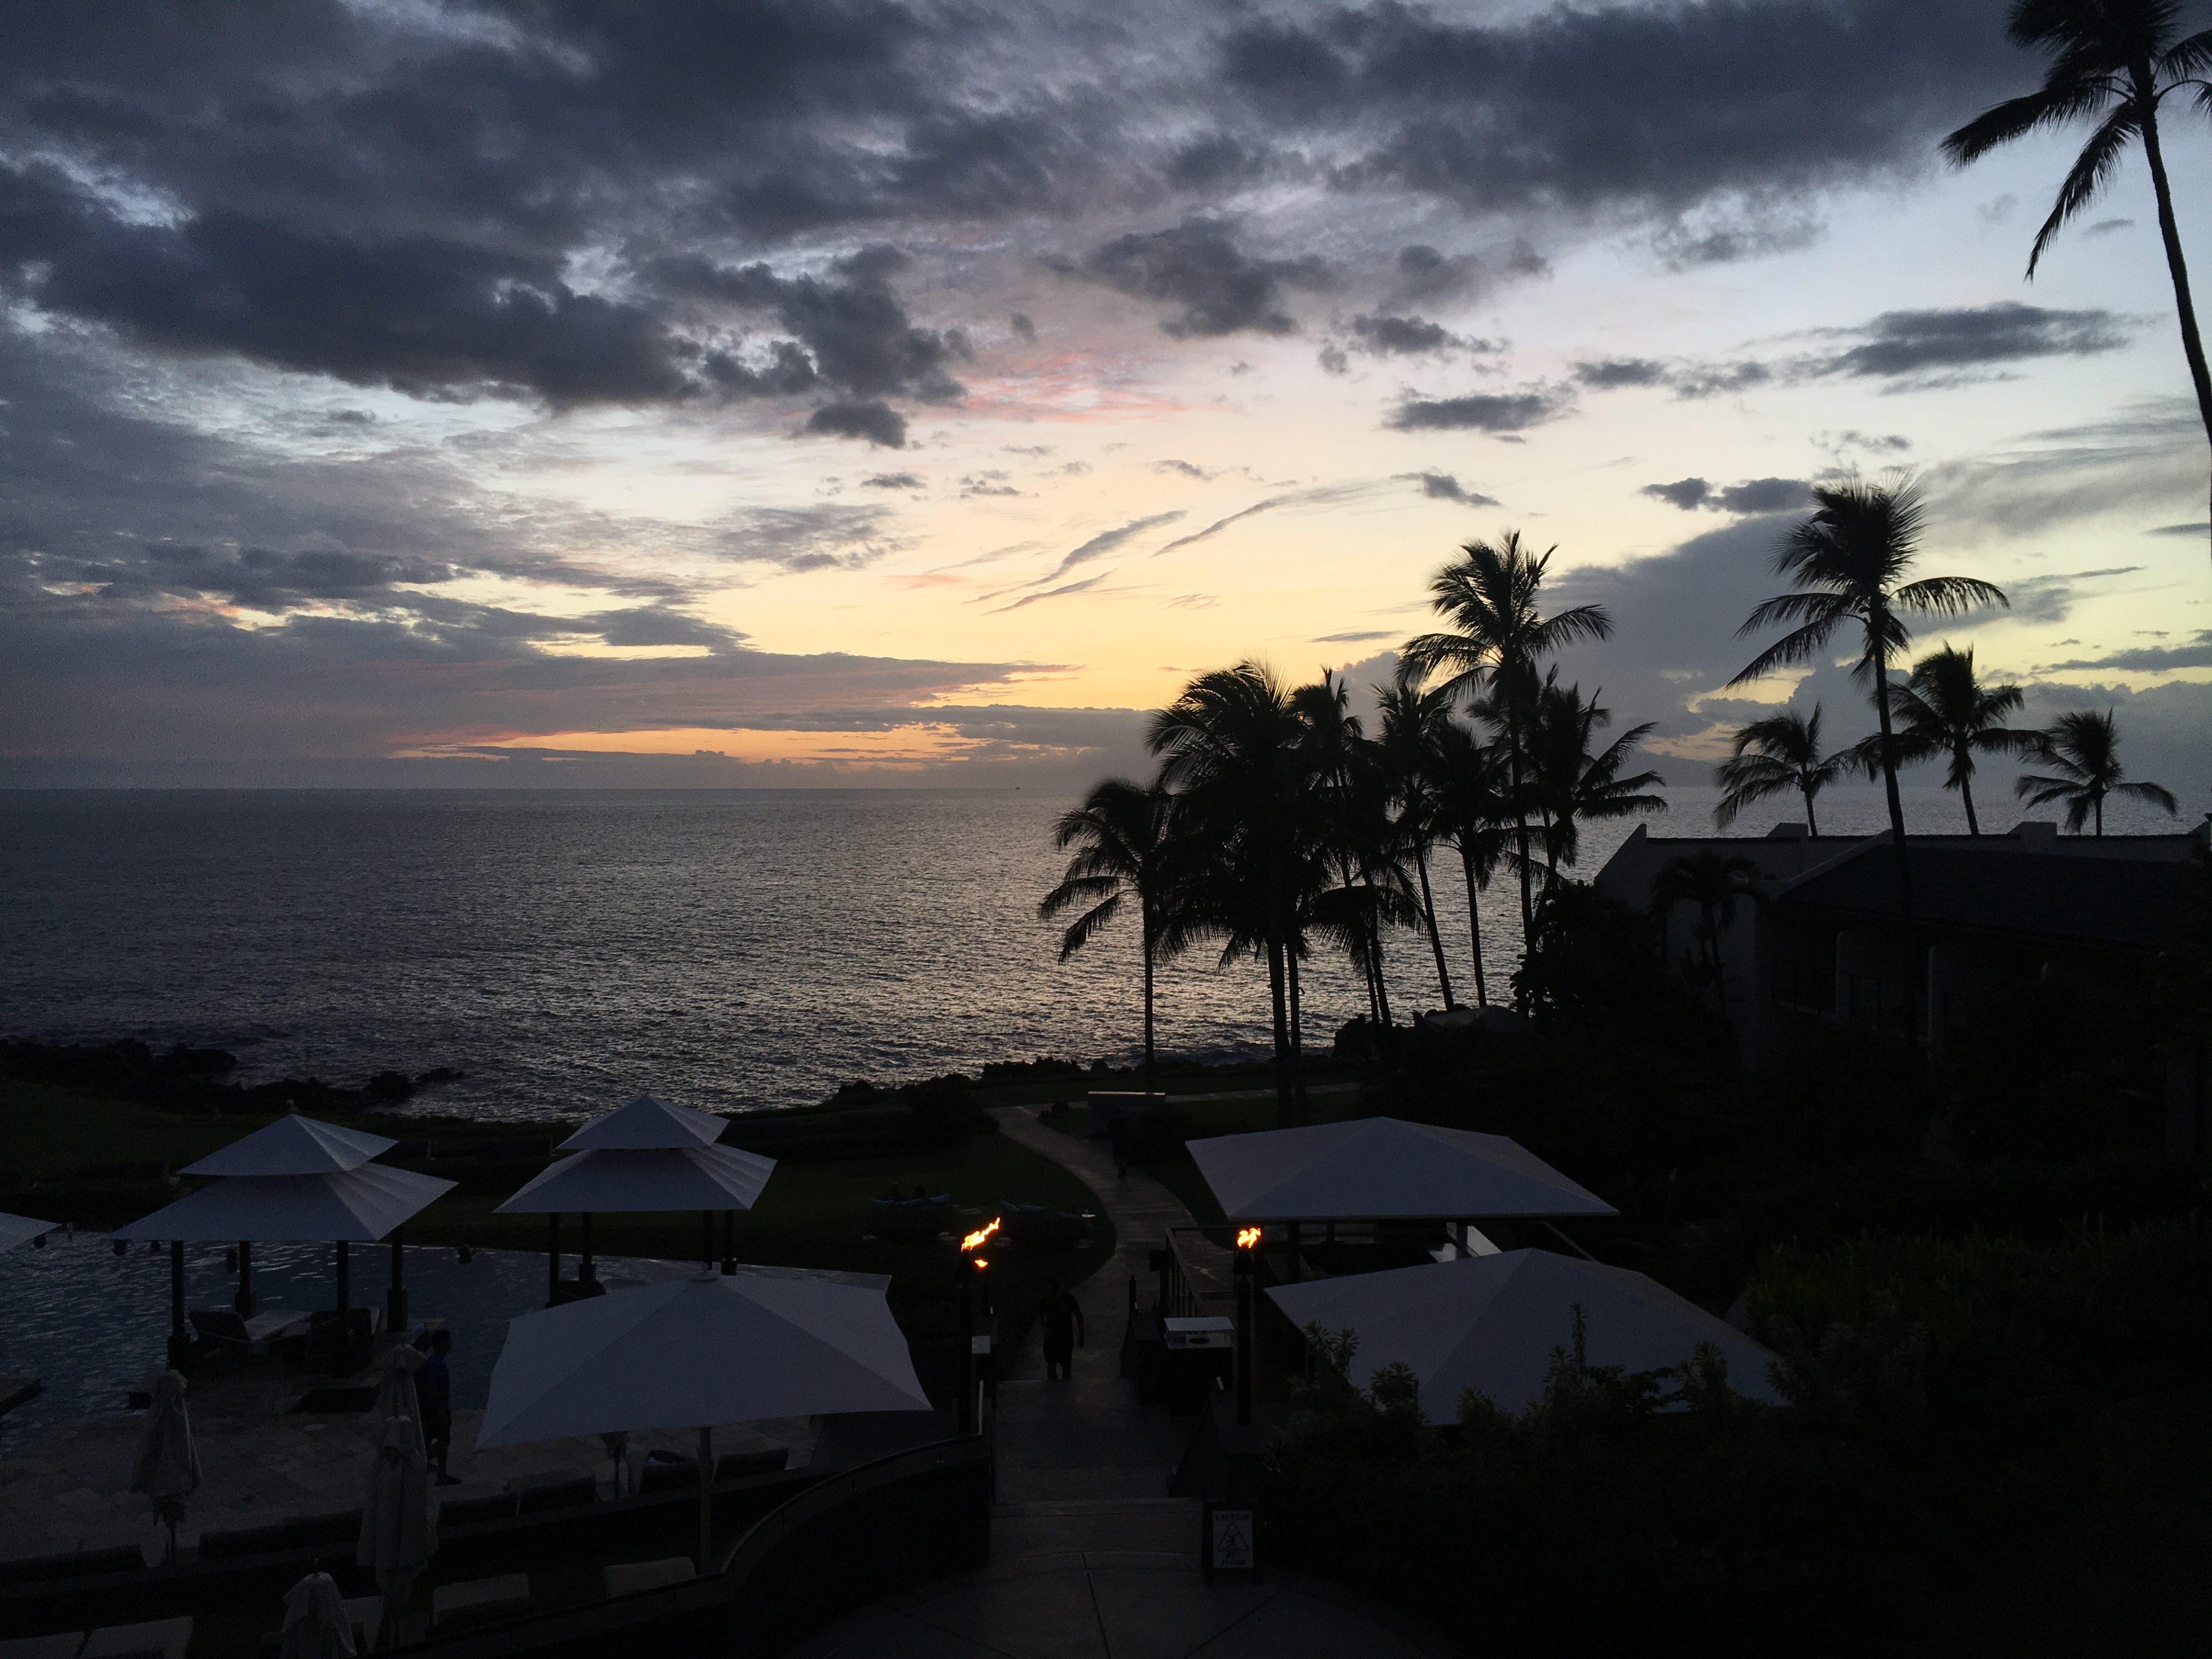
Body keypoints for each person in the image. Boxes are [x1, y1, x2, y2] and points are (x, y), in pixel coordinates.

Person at [418, 1328, 456, 1483]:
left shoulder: (433, 1362)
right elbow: (433, 1390)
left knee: (430, 1439)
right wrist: (441, 1412)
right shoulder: (437, 1364)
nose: (451, 1343)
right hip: (438, 1409)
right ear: (442, 1344)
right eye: (449, 1340)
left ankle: (441, 1474)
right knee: (443, 1441)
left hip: (433, 1409)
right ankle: (422, 1461)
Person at [1037, 1279, 1084, 1381]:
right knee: (1051, 1364)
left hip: (1065, 1336)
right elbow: (1041, 1318)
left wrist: (1081, 1335)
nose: (1046, 1292)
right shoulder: (1045, 1301)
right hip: (1051, 1336)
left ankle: (1066, 1385)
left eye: (1048, 1289)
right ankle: (1053, 1386)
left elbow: (1079, 1316)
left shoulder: (1068, 1299)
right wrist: (1046, 1328)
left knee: (1066, 1364)